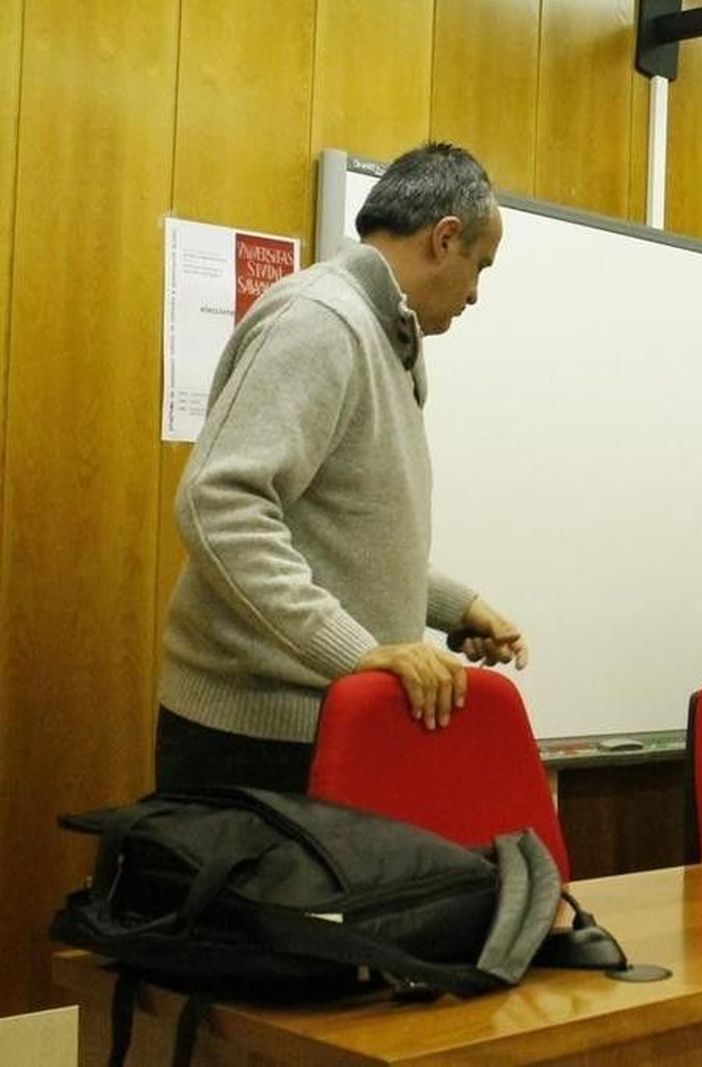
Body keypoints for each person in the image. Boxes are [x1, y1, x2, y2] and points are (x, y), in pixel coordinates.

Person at [157, 142, 529, 794]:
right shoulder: (322, 321)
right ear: (445, 238)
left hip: (319, 729)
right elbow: (218, 504)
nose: (475, 294)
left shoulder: (387, 336)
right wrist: (354, 650)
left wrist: (453, 606)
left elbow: (341, 526)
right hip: (256, 744)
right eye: (480, 266)